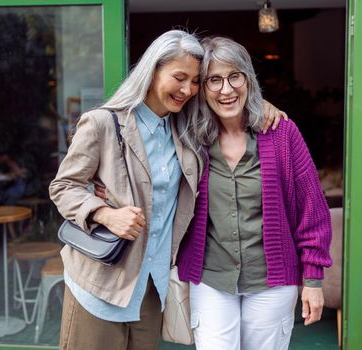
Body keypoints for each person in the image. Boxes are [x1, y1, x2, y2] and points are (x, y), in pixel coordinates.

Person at [49, 30, 285, 350]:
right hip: (102, 284)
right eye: (179, 77)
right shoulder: (104, 123)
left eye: (194, 82)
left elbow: (228, 97)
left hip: (151, 288)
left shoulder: (186, 128)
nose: (187, 89)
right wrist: (105, 213)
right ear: (152, 70)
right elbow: (63, 186)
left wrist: (260, 103)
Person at [176, 37, 332, 350]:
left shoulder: (282, 133)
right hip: (211, 279)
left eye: (235, 76)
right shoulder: (188, 137)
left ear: (249, 79)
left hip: (272, 281)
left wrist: (313, 280)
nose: (226, 89)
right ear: (202, 88)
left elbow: (312, 210)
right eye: (214, 80)